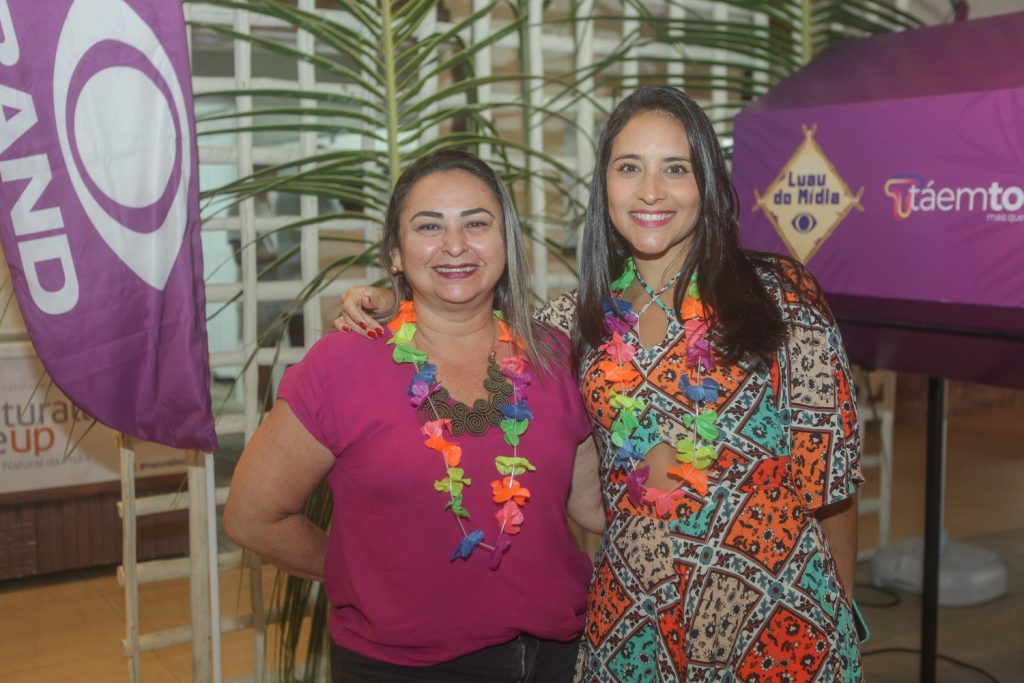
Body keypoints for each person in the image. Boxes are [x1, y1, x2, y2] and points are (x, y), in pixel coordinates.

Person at [337, 86, 864, 681]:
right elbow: (470, 332)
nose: (650, 191)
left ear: (708, 184)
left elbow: (832, 484)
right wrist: (395, 301)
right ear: (605, 186)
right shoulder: (571, 326)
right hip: (634, 626)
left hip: (777, 621)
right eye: (629, 168)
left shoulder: (781, 296)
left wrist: (837, 616)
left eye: (676, 168)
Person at [225, 149, 604, 683]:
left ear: (506, 244)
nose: (455, 245)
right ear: (396, 254)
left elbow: (591, 501)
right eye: (430, 226)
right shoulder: (344, 363)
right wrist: (356, 573)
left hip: (556, 661)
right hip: (400, 670)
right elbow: (252, 515)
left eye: (477, 223)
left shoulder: (553, 355)